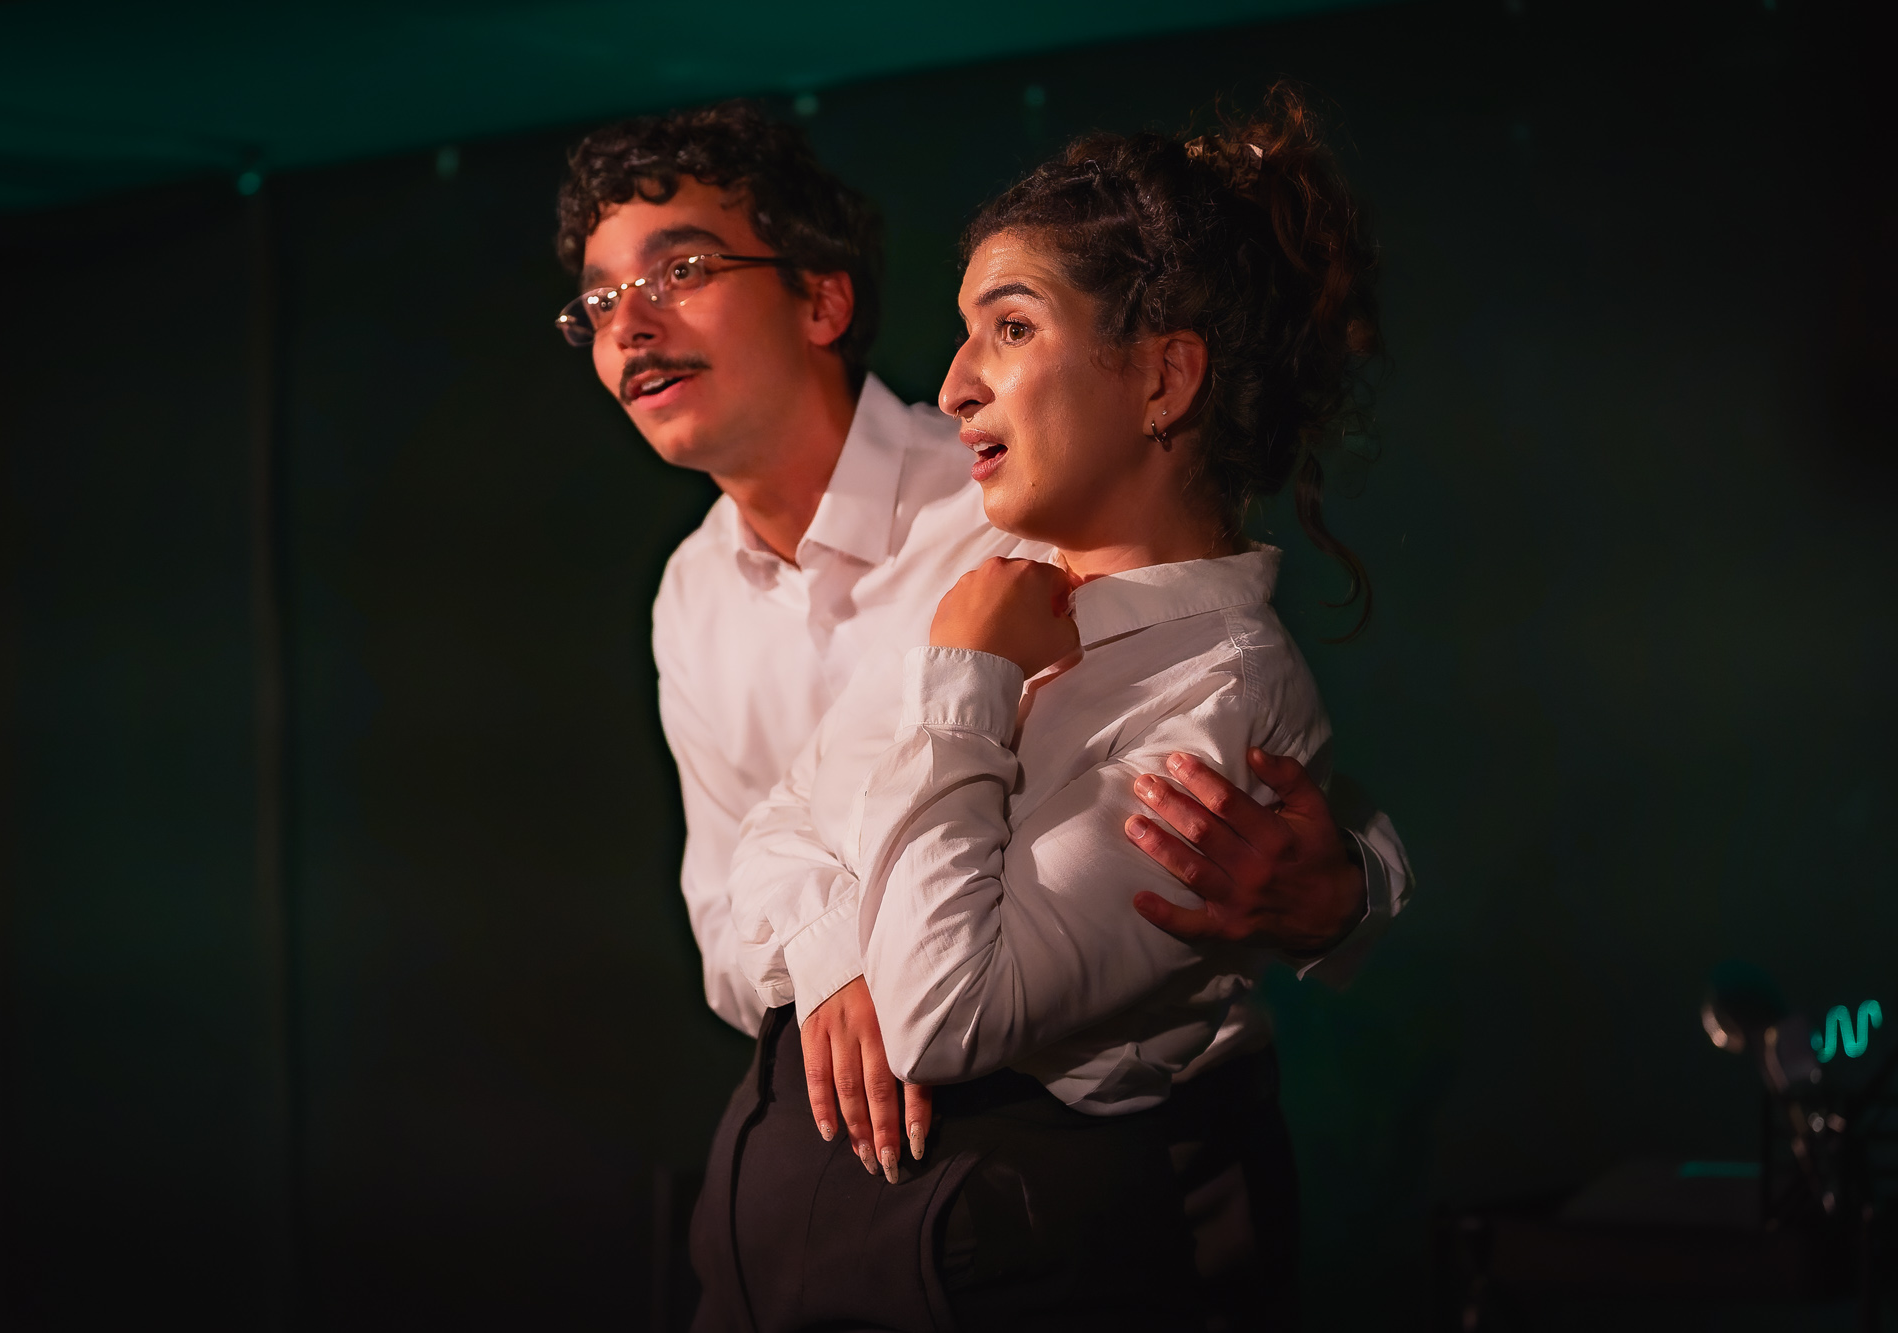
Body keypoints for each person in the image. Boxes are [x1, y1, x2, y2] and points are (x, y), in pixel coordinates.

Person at [551, 97, 1408, 1329]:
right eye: (596, 300)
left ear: (821, 300)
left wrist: (1347, 895)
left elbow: (1260, 748)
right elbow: (735, 892)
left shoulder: (1015, 493)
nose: (628, 323)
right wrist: (832, 947)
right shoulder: (690, 591)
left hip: (1064, 1196)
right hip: (829, 1194)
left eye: (679, 271)